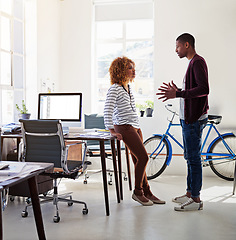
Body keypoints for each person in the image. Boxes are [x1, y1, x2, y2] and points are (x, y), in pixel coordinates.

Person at [157, 33, 209, 211]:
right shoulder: (192, 63)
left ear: (187, 45)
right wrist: (178, 90)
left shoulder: (197, 62)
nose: (176, 50)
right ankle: (189, 193)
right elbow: (193, 90)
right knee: (189, 158)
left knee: (193, 159)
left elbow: (204, 89)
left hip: (193, 120)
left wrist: (178, 93)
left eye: (178, 46)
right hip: (188, 119)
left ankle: (196, 199)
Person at [104, 56, 165, 206]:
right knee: (144, 158)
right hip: (124, 127)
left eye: (133, 68)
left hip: (134, 127)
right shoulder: (115, 89)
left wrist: (136, 127)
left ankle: (147, 191)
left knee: (138, 160)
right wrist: (111, 130)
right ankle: (138, 192)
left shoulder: (128, 88)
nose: (134, 71)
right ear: (121, 70)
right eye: (130, 68)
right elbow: (107, 111)